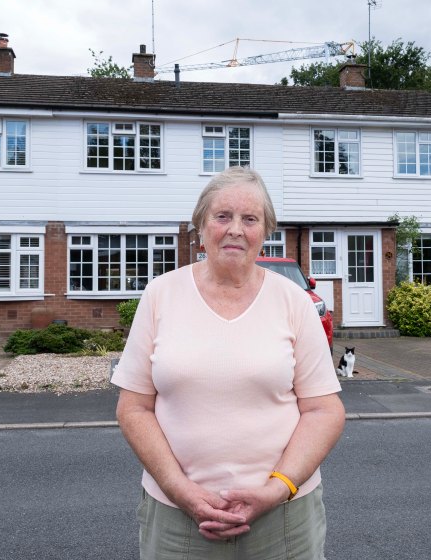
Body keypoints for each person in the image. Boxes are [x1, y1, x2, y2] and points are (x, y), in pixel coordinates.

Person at [112, 166, 345, 559]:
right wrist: (180, 490)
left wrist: (277, 488)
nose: (235, 228)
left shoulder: (292, 301)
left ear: (265, 231)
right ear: (201, 226)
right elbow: (134, 407)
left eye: (249, 219)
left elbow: (324, 409)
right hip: (178, 519)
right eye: (222, 216)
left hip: (284, 518)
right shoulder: (161, 295)